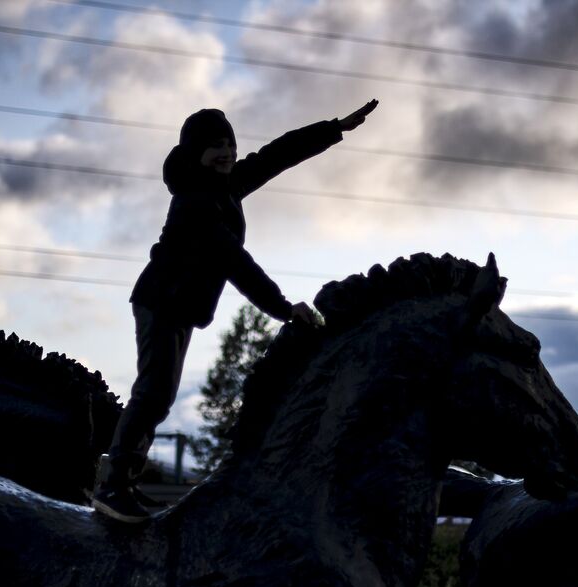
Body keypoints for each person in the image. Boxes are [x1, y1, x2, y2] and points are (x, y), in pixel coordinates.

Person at [92, 98, 379, 521]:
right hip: (161, 302)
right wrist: (284, 308)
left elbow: (277, 155)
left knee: (160, 395)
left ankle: (124, 483)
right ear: (196, 154)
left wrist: (334, 128)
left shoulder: (225, 185)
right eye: (215, 147)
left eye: (229, 143)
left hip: (179, 307)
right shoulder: (194, 201)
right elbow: (235, 264)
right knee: (153, 392)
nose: (226, 152)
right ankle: (113, 486)